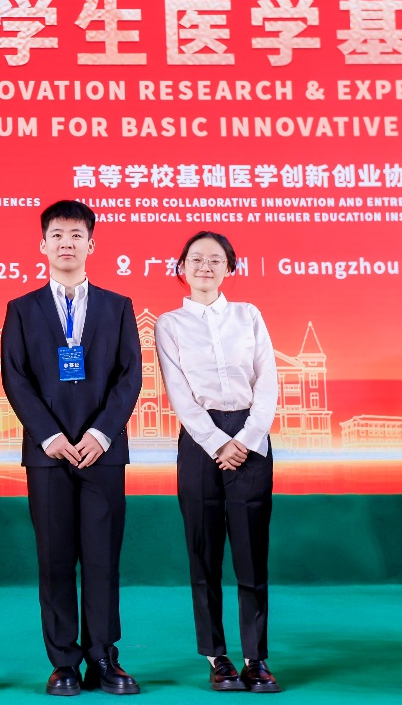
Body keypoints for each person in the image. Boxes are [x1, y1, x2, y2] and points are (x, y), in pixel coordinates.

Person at [0, 200, 142, 697]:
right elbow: (15, 378)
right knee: (55, 559)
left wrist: (101, 434)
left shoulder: (117, 306)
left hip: (104, 453)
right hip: (48, 454)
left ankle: (103, 657)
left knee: (102, 559)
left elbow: (130, 376)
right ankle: (63, 662)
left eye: (76, 235)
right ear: (42, 245)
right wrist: (51, 436)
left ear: (91, 245)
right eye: (57, 235)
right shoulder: (21, 309)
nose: (66, 243)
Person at [154, 232, 281, 694]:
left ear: (230, 268)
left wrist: (245, 439)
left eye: (215, 260)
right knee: (204, 553)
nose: (205, 267)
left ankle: (256, 659)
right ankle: (217, 657)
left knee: (251, 555)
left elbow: (267, 381)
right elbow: (178, 392)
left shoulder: (249, 316)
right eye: (196, 259)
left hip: (251, 440)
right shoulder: (168, 324)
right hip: (199, 441)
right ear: (181, 268)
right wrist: (215, 442)